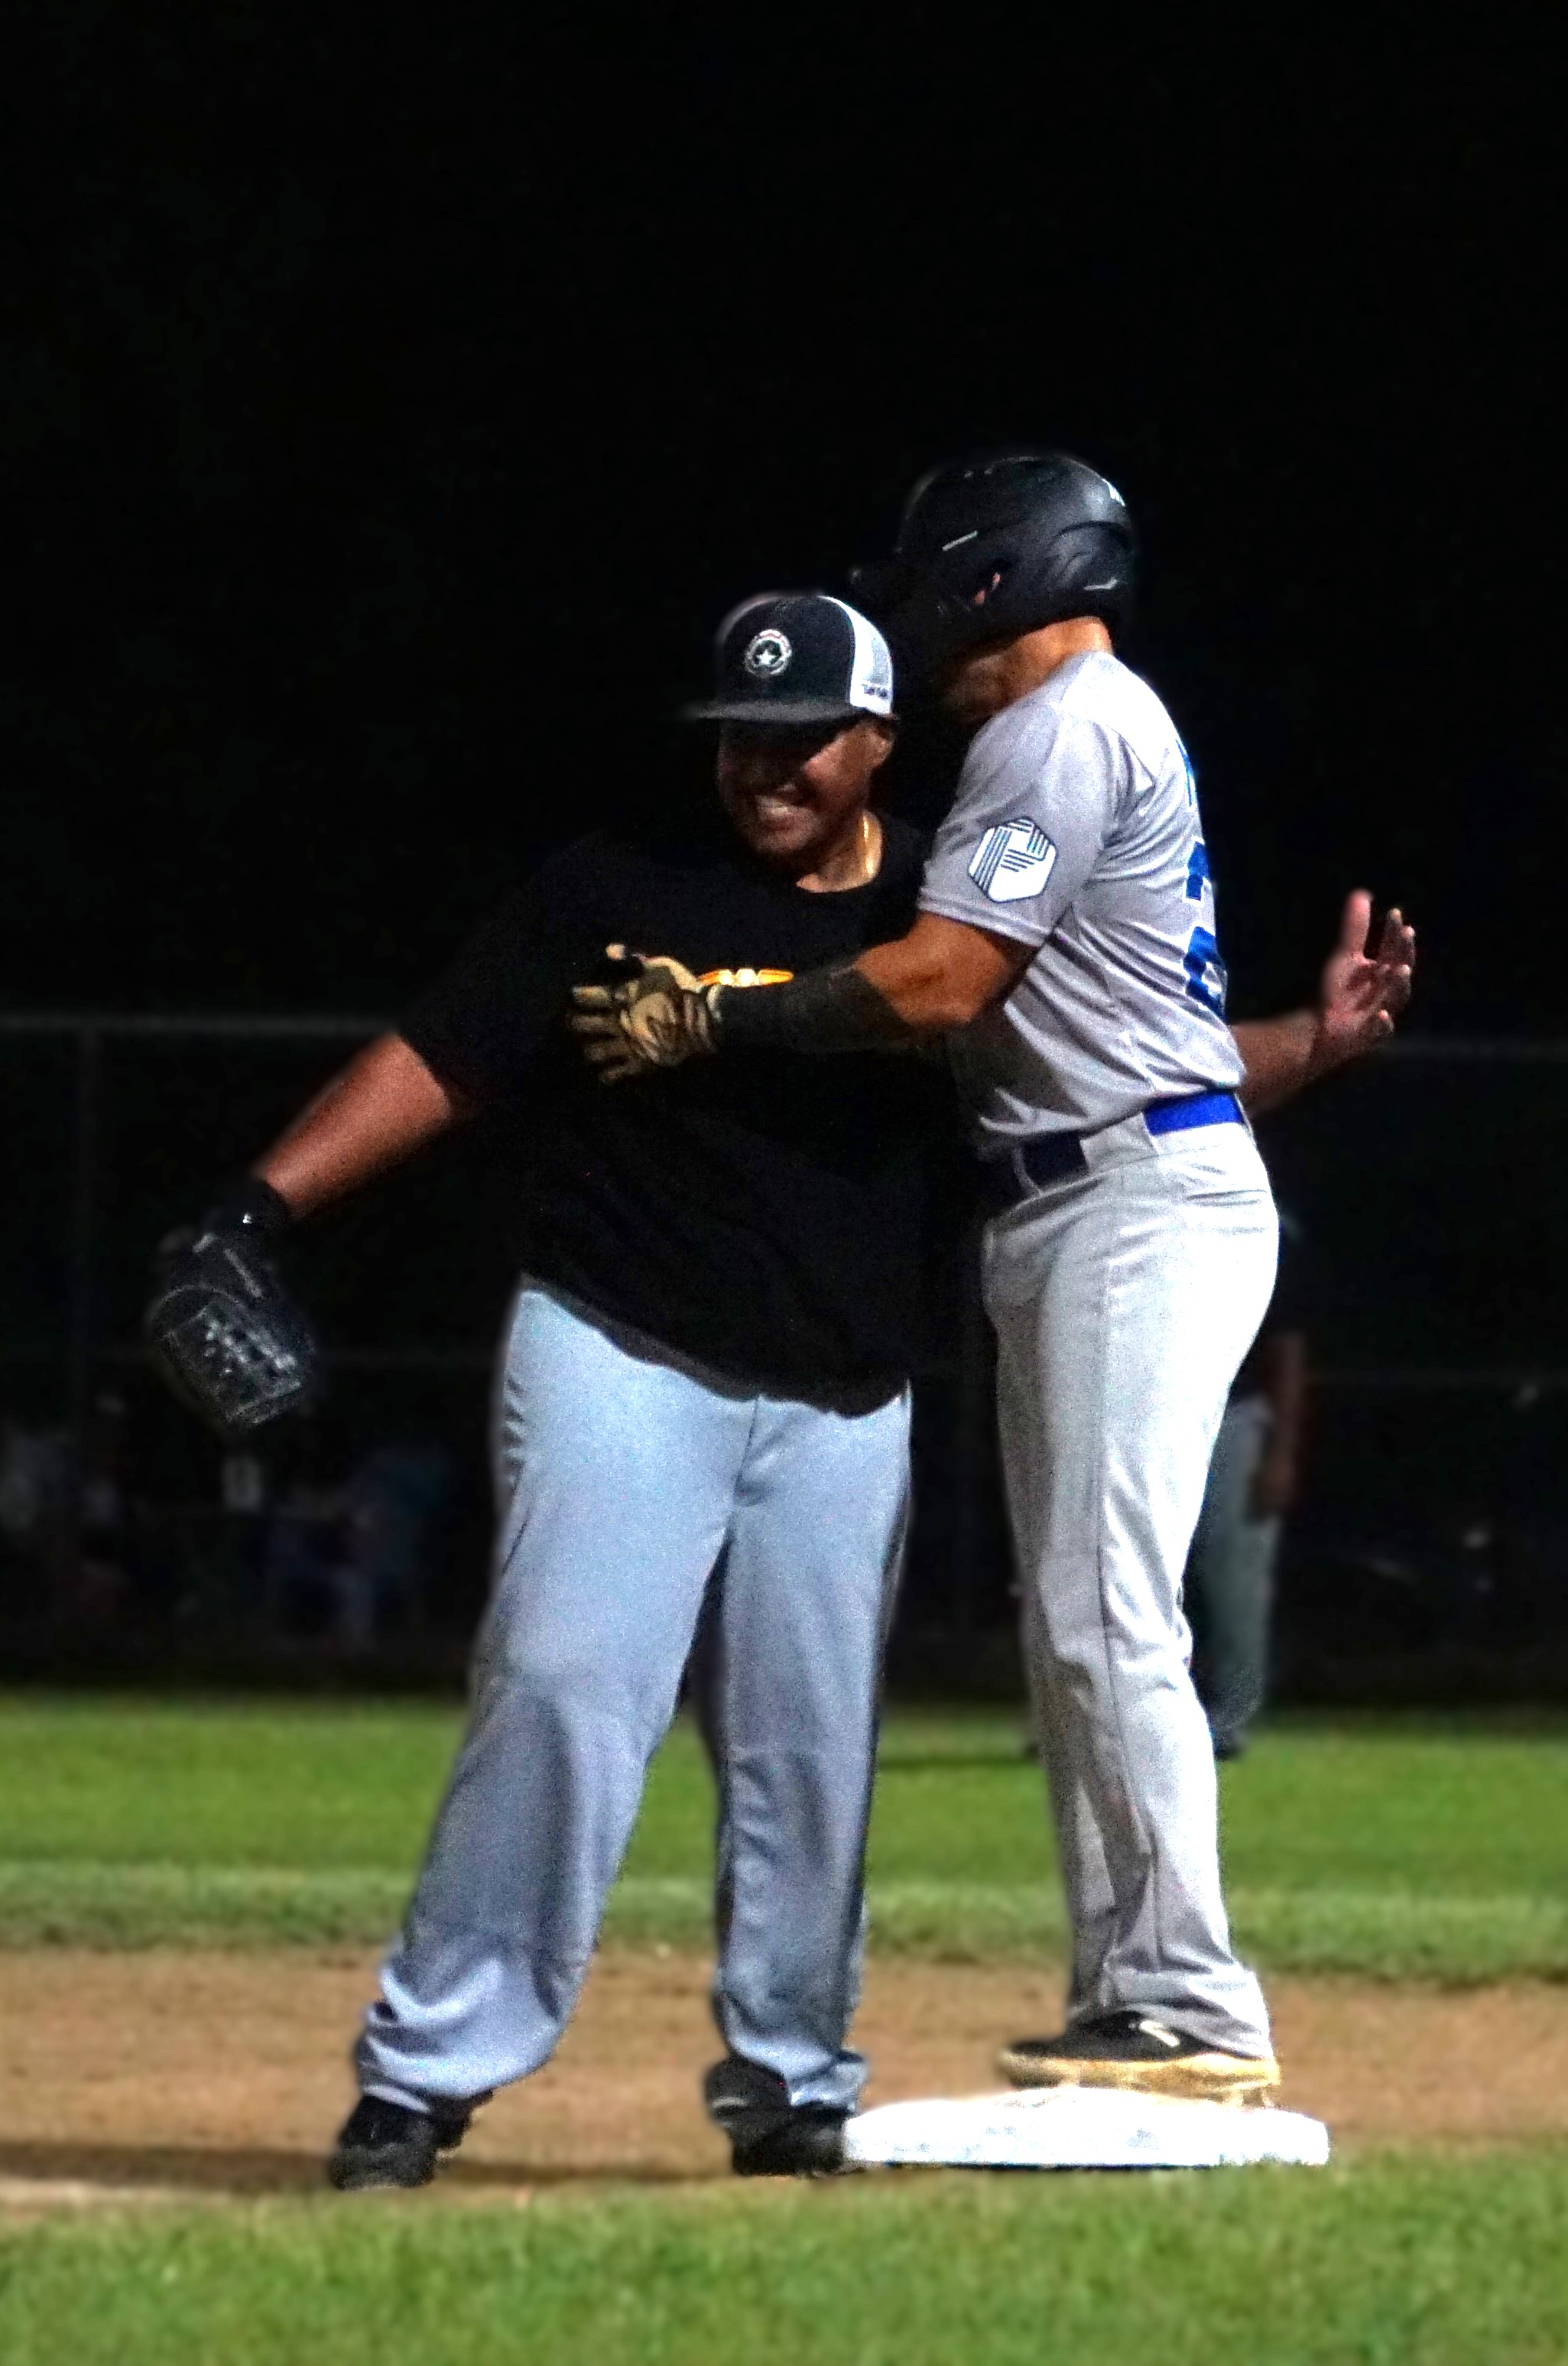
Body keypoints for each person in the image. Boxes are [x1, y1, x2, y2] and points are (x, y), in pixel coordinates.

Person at [570, 451, 1415, 2106]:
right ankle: (1134, 1993)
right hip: (1098, 1188)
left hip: (1128, 1201)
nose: (920, 627)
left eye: (932, 587)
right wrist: (1315, 1043)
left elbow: (948, 980)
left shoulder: (1061, 727)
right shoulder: (1096, 731)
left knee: (1106, 1603)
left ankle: (1190, 1995)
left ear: (1000, 577)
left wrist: (715, 1010)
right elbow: (1148, 1041)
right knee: (1080, 1613)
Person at [148, 590, 943, 2186]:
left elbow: (1125, 1064)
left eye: (801, 739)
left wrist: (1307, 1046)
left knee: (810, 1749)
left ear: (877, 741)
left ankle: (794, 2080)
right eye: (742, 734)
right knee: (566, 1689)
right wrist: (257, 1205)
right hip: (621, 1346)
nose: (765, 765)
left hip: (850, 1397)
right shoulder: (615, 885)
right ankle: (426, 2070)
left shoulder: (942, 922)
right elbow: (444, 1052)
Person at [1188, 1202, 1308, 1758]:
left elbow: (1287, 1348)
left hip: (1236, 1416)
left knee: (1234, 1577)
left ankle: (1229, 1718)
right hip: (1158, 1406)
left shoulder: (1264, 1221)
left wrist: (1280, 1451)